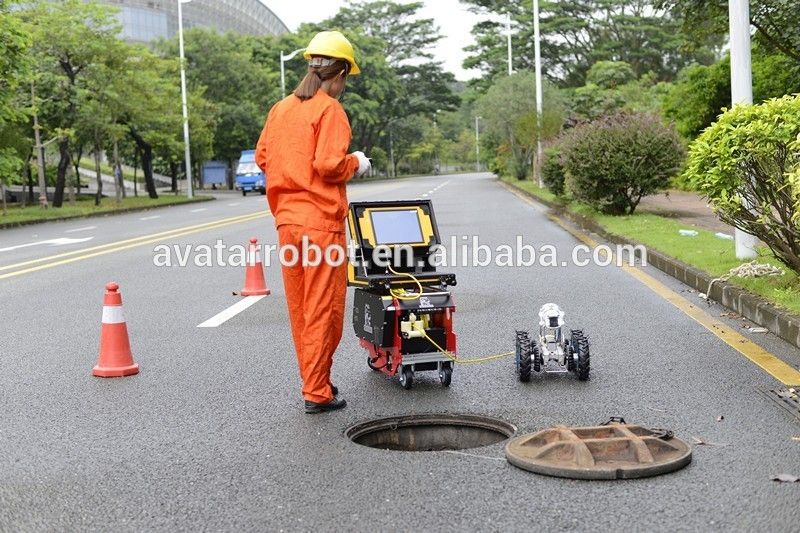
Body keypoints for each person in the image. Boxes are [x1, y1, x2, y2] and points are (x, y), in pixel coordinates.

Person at [255, 31, 371, 414]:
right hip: (320, 226)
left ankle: (315, 382)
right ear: (338, 74)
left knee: (302, 310)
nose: (344, 87)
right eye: (346, 80)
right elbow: (328, 165)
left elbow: (262, 159)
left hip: (287, 225)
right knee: (325, 310)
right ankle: (317, 391)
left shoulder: (280, 109)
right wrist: (356, 162)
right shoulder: (330, 110)